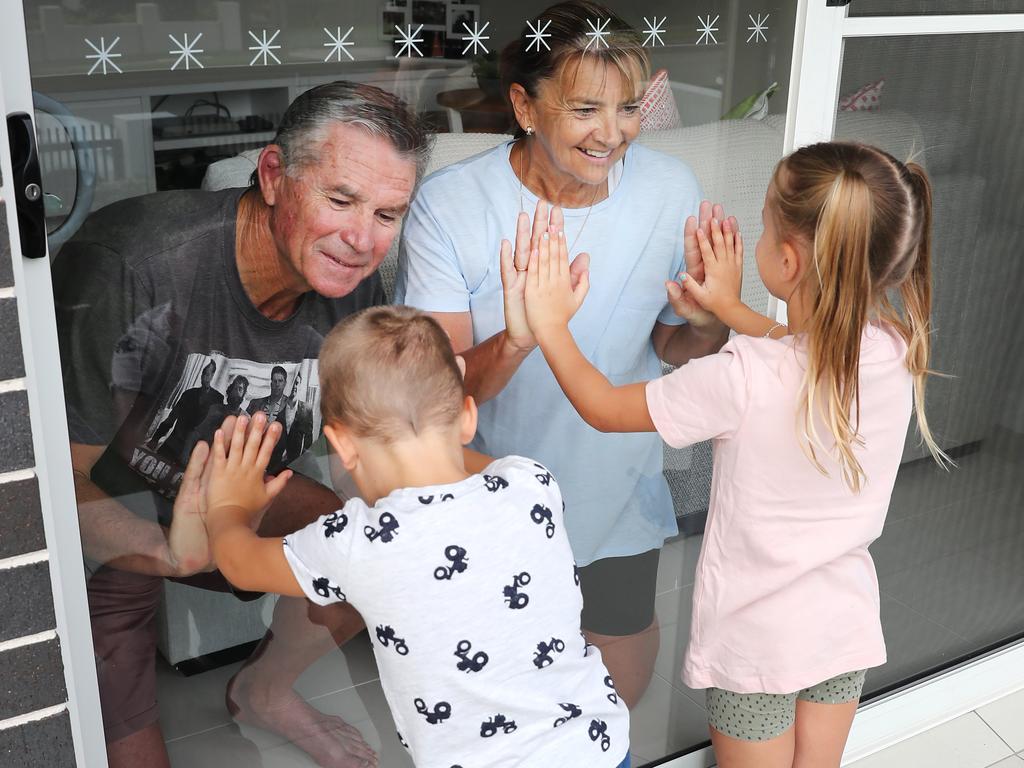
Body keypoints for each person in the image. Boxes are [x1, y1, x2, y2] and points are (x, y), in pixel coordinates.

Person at [520, 141, 948, 767]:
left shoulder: (741, 377)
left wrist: (550, 325)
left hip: (757, 647)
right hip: (843, 625)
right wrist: (730, 310)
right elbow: (807, 355)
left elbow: (605, 408)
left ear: (787, 257)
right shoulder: (893, 347)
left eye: (767, 221)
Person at [51, 81, 430, 768]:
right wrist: (170, 553)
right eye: (340, 199)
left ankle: (263, 691)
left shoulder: (353, 286)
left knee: (361, 552)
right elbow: (56, 484)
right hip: (111, 505)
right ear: (275, 175)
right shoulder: (133, 267)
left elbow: (377, 446)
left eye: (387, 213)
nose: (362, 238)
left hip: (238, 492)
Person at [395, 0, 730, 707]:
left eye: (629, 108)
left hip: (617, 488)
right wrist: (519, 335)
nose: (612, 135)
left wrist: (708, 322)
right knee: (506, 698)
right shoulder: (452, 208)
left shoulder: (670, 190)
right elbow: (436, 398)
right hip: (493, 497)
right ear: (525, 104)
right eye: (585, 110)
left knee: (620, 684)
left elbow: (673, 345)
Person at [201, 306, 632, 768]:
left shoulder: (356, 544)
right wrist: (440, 402)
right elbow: (458, 463)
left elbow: (238, 562)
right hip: (596, 747)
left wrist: (228, 502)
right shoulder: (532, 483)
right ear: (467, 416)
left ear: (342, 445)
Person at [146, 357, 223, 464]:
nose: (204, 377)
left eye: (208, 374)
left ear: (213, 376)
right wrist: (155, 438)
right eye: (203, 373)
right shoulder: (188, 394)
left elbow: (213, 429)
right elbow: (171, 418)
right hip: (174, 444)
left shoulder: (217, 398)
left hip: (194, 451)